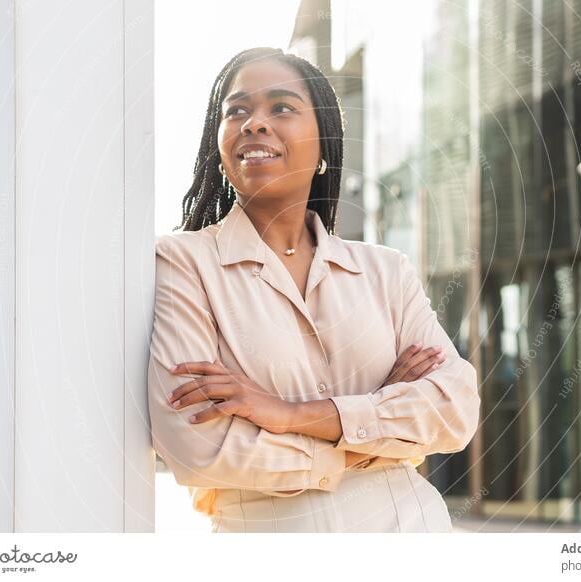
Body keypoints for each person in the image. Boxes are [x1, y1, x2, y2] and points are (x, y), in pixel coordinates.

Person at [147, 47, 480, 532]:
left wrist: (289, 414)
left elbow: (454, 411)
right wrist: (367, 435)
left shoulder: (386, 271)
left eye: (281, 107)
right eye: (237, 110)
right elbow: (197, 446)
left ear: (324, 144)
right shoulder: (183, 263)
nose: (254, 123)